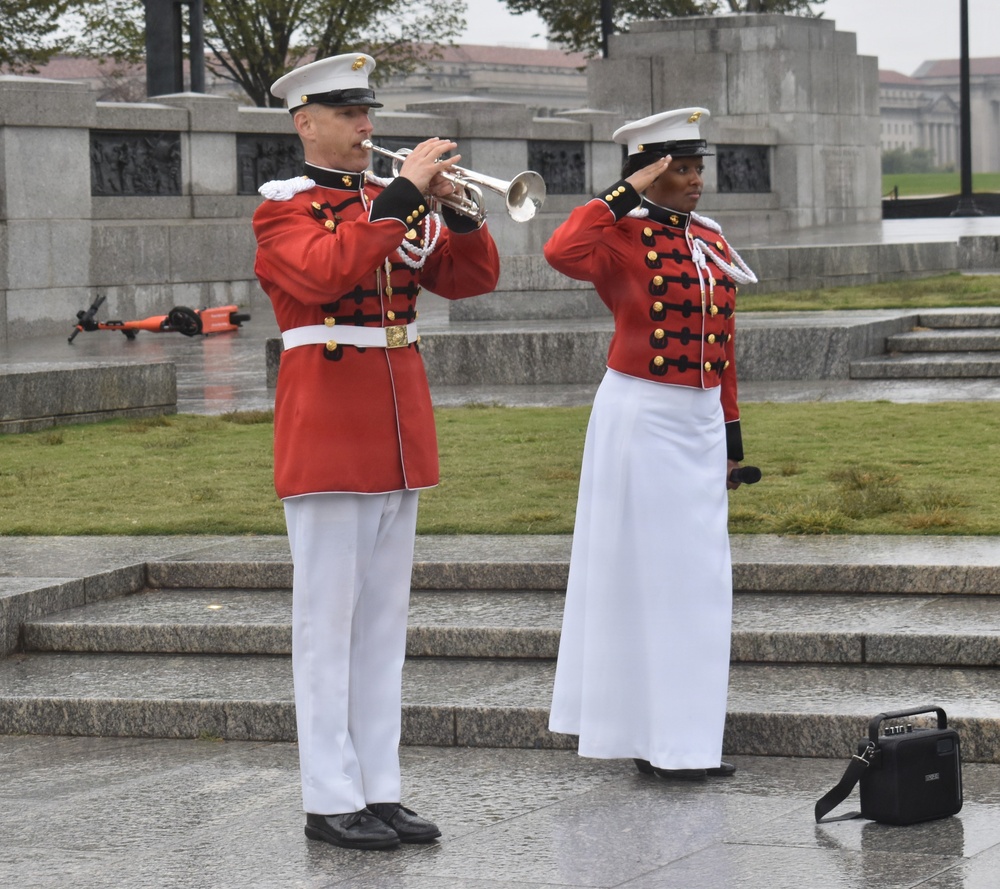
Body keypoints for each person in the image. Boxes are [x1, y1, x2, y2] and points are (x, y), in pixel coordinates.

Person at [252, 52, 501, 850]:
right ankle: (329, 796)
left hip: (396, 422)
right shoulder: (281, 210)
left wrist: (460, 213)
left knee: (382, 627)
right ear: (305, 123)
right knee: (328, 625)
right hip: (328, 424)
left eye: (368, 111)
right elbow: (327, 275)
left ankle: (379, 788)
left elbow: (469, 281)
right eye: (347, 112)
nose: (367, 126)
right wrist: (401, 196)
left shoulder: (387, 206)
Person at [544, 108, 757, 781]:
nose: (696, 180)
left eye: (697, 167)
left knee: (698, 581)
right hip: (641, 412)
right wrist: (624, 190)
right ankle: (654, 740)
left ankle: (686, 739)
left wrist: (730, 431)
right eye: (680, 168)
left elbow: (721, 345)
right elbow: (560, 250)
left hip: (697, 418)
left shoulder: (710, 240)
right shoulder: (618, 234)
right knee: (649, 577)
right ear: (650, 172)